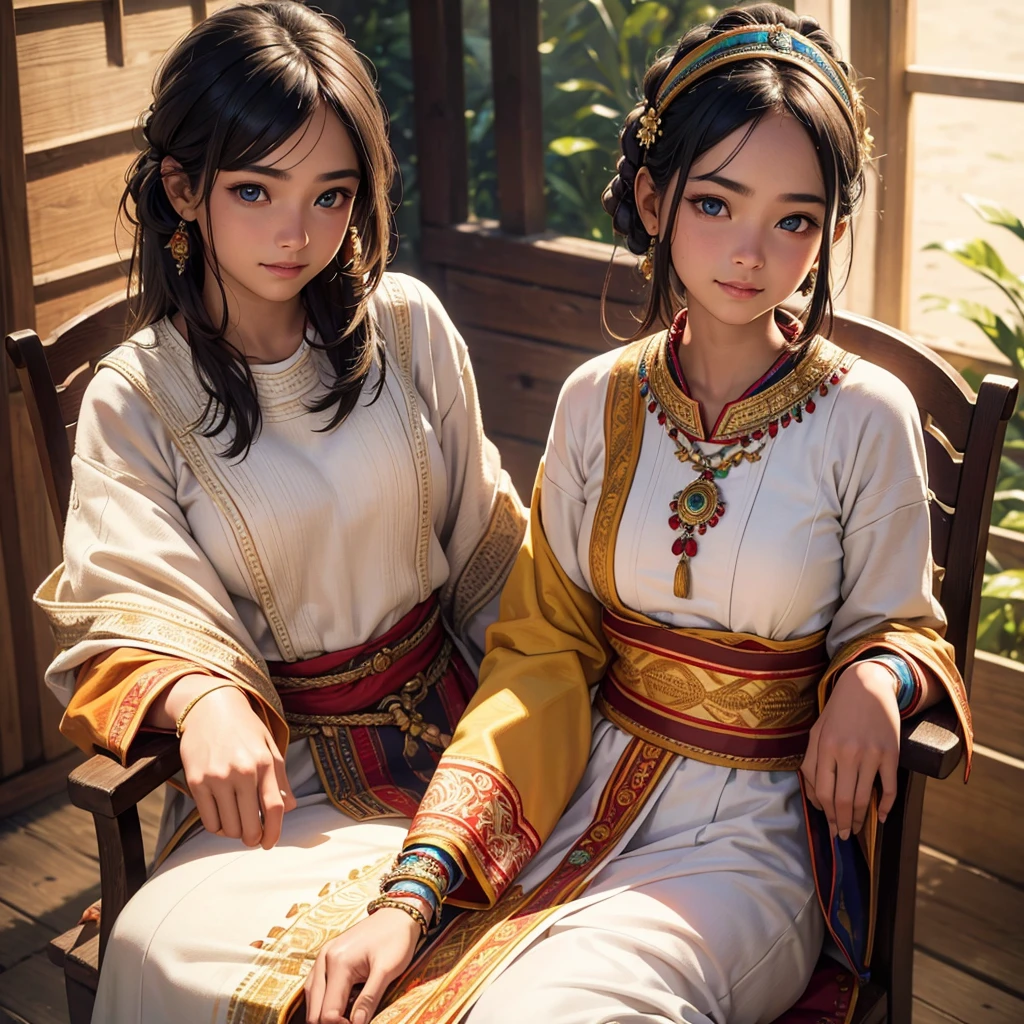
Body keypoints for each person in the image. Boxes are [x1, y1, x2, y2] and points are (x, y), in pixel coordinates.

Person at [307, 5, 974, 1024]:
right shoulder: (597, 401)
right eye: (716, 203)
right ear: (655, 198)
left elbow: (899, 619)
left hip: (755, 836)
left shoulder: (866, 418)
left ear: (834, 229)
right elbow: (542, 654)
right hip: (576, 783)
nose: (752, 251)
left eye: (795, 218)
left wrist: (875, 678)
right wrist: (420, 884)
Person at [33, 3, 525, 1022]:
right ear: (182, 187)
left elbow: (490, 559)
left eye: (329, 194)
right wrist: (200, 699)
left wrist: (540, 724)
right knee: (200, 962)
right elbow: (123, 595)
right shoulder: (138, 397)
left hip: (454, 735)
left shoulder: (409, 326)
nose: (295, 233)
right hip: (272, 789)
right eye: (254, 189)